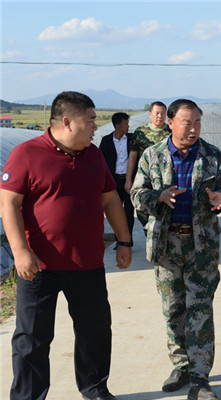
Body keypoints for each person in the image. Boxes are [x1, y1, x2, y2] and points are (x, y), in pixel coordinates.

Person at [0, 91, 132, 400]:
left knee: (95, 331)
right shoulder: (27, 153)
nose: (95, 127)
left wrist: (124, 241)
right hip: (39, 266)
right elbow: (9, 203)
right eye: (91, 120)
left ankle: (95, 388)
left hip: (87, 263)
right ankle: (28, 396)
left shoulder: (93, 155)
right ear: (68, 121)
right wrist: (20, 251)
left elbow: (110, 199)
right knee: (32, 337)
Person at [130, 99, 221, 400]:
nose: (193, 129)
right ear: (171, 123)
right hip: (166, 246)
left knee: (200, 310)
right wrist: (158, 197)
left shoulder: (211, 155)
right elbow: (136, 193)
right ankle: (181, 366)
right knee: (173, 308)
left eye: (197, 123)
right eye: (187, 123)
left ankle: (201, 378)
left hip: (201, 246)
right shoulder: (152, 155)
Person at [125, 101, 171, 232]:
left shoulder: (171, 131)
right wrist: (128, 180)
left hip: (165, 179)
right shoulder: (141, 132)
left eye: (163, 113)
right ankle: (149, 232)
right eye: (157, 113)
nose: (160, 116)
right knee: (143, 210)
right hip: (145, 178)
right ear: (150, 114)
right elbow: (132, 156)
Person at [99, 112, 135, 246]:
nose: (128, 126)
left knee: (129, 212)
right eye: (125, 124)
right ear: (117, 126)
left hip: (129, 181)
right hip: (114, 182)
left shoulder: (132, 139)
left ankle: (128, 240)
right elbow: (101, 162)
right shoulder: (106, 141)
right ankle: (118, 239)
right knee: (115, 212)